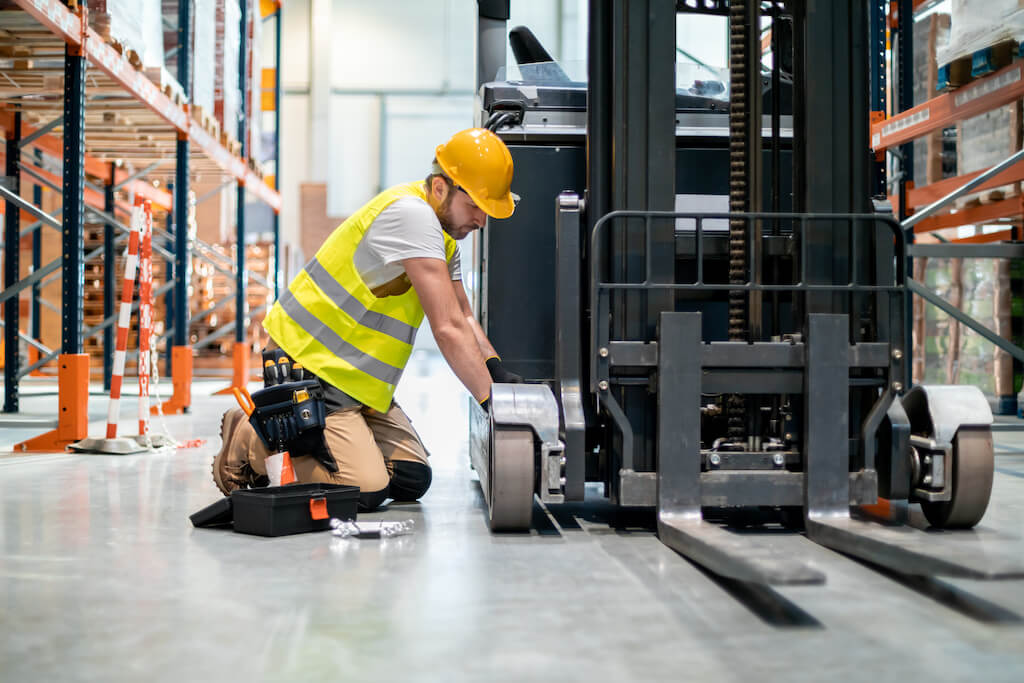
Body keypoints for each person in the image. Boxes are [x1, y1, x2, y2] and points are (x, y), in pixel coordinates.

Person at [212, 128, 524, 511]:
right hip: (312, 365)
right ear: (441, 187)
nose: (482, 218)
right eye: (476, 204)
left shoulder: (442, 240)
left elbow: (463, 316)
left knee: (411, 477)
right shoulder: (413, 217)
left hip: (358, 384)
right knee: (365, 488)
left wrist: (496, 373)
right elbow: (447, 328)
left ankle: (323, 441)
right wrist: (490, 401)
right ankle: (250, 437)